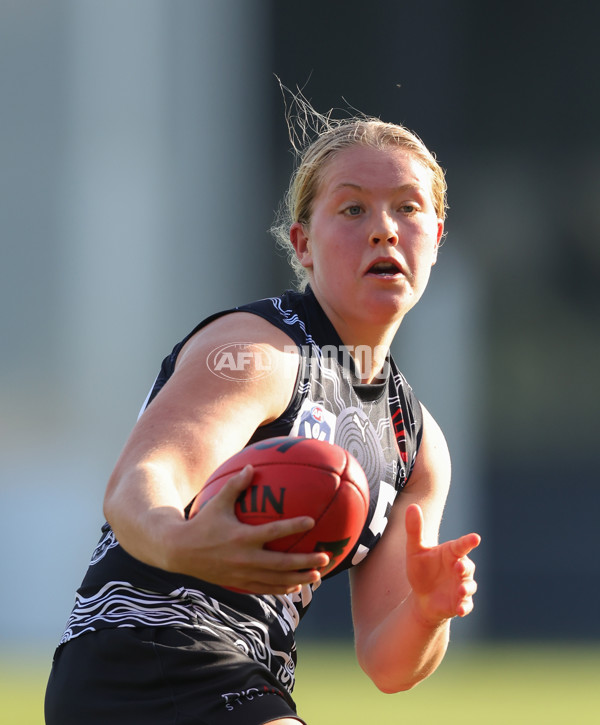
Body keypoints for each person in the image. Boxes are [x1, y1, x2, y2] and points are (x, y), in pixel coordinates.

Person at [45, 96, 480, 725]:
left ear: (435, 238)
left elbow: (388, 664)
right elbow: (140, 481)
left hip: (247, 679)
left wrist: (427, 612)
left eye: (409, 208)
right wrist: (181, 539)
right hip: (140, 659)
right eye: (353, 208)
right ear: (302, 244)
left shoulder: (415, 441)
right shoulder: (259, 352)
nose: (385, 227)